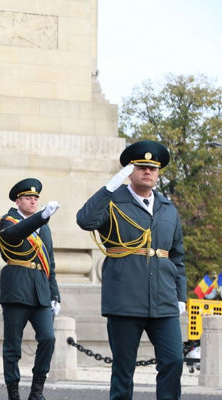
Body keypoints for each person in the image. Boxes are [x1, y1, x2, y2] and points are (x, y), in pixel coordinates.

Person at [77, 140, 185, 400]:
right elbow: (85, 220)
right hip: (125, 300)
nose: (147, 172)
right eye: (141, 167)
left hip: (164, 300)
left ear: (158, 173)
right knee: (124, 369)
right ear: (129, 170)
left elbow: (177, 256)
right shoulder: (113, 202)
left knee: (173, 361)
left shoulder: (168, 209)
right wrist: (109, 188)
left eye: (152, 168)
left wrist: (181, 296)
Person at [0, 178, 61, 400]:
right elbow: (12, 236)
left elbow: (49, 263)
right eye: (28, 198)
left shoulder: (44, 228)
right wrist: (40, 218)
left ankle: (36, 390)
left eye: (36, 198)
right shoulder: (6, 221)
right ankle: (13, 392)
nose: (33, 201)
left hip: (40, 290)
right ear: (17, 200)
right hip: (17, 289)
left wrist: (55, 294)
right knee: (13, 345)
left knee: (48, 338)